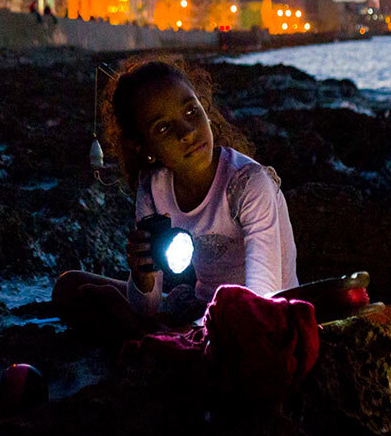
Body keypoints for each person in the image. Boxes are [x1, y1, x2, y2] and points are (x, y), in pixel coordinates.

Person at [53, 57, 298, 344]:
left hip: (261, 316)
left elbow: (262, 302)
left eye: (191, 111)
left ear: (204, 107)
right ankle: (160, 338)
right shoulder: (154, 188)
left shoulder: (249, 184)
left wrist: (186, 330)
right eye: (163, 128)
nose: (188, 132)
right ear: (143, 147)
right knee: (69, 286)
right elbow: (146, 305)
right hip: (200, 308)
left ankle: (157, 339)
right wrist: (142, 275)